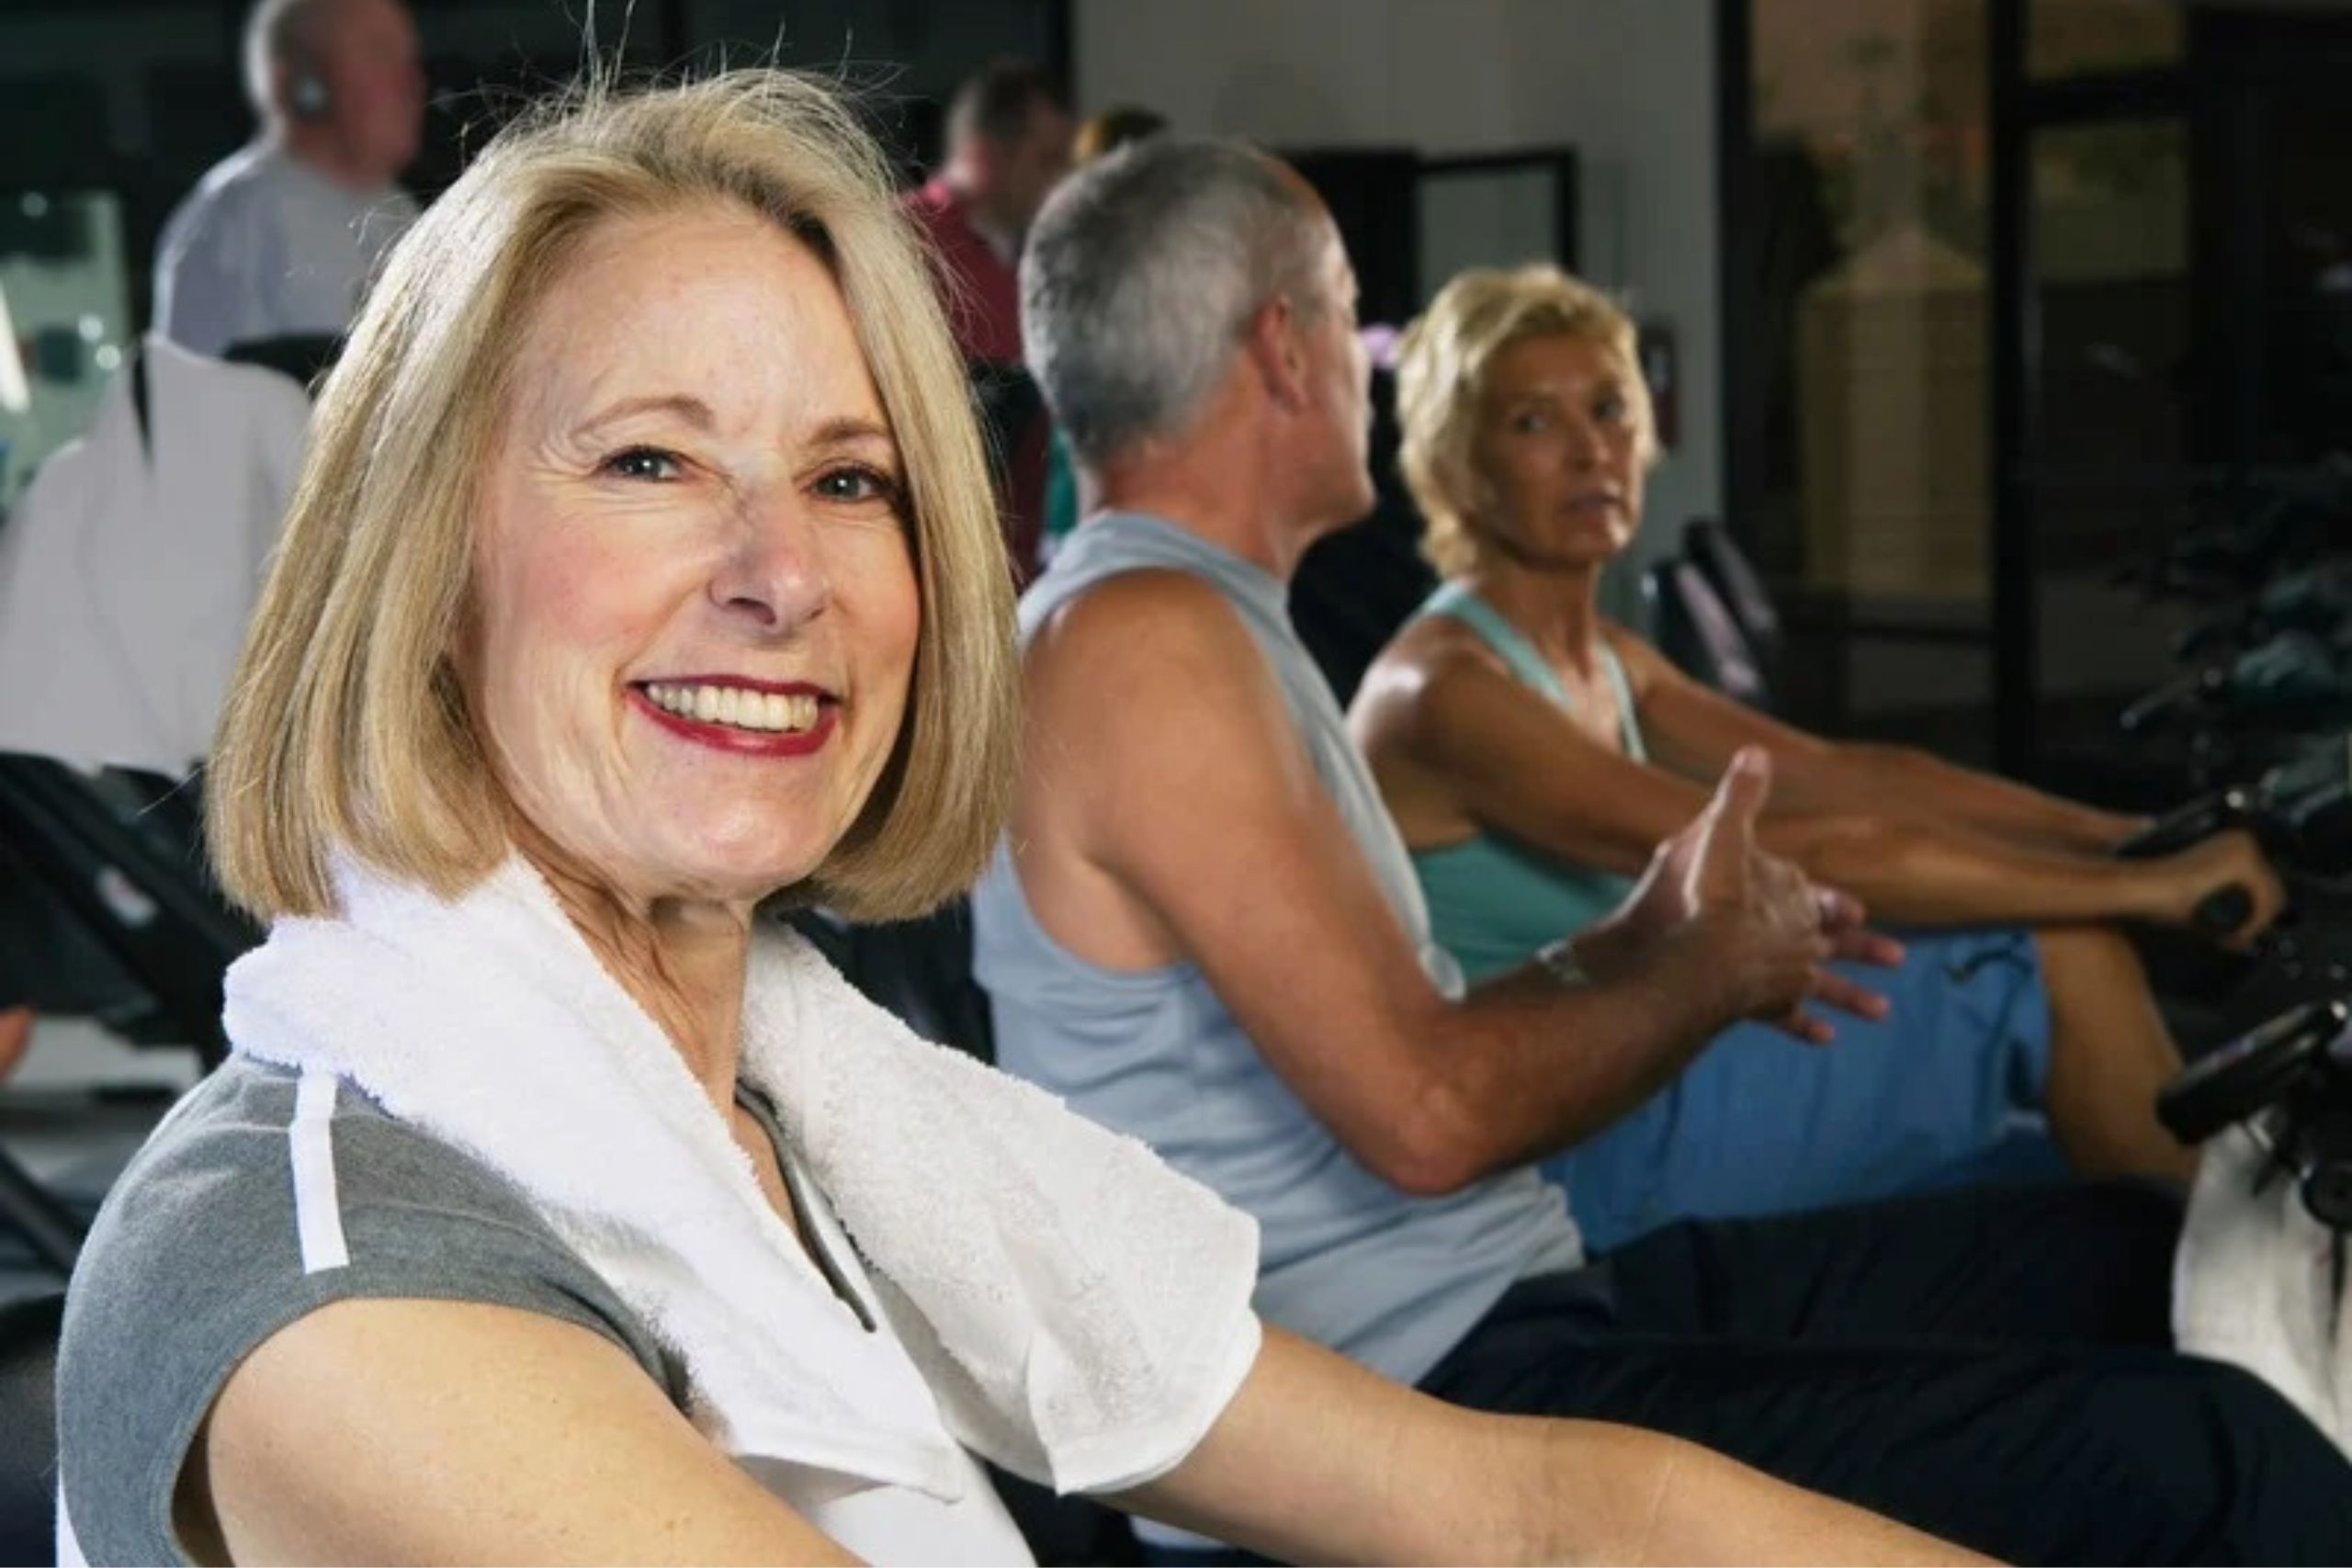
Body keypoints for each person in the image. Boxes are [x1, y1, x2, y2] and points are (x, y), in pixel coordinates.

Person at [51, 73, 1973, 1567]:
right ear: (424, 564)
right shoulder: (342, 1300)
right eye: (648, 458)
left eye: (849, 476)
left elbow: (1528, 1513)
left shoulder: (817, 1116)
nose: (775, 571)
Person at [972, 132, 2352, 1564]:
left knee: (2134, 1254)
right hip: (1415, 1404)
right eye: (1348, 310)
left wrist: (1640, 940)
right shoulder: (1147, 641)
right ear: (1283, 345)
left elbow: (1398, 1040)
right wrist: (1701, 971)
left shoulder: (1204, 620)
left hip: (1506, 1300)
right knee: (2220, 1467)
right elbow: (1429, 1112)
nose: (1365, 359)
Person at [1348, 262, 2289, 1248]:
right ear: (1458, 465)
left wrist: (2131, 840)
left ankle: (2226, 1270)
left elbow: (1858, 775)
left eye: (1611, 410)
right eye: (1533, 423)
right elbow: (1810, 850)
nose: (1592, 450)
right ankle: (2257, 1308)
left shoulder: (1604, 655)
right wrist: (2145, 894)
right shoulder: (1445, 693)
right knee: (2048, 949)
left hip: (1640, 1074)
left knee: (2050, 1091)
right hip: (1561, 1157)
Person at [153, 0, 424, 357]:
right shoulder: (240, 216)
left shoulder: (400, 210)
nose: (411, 82)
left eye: (411, 60)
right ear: (303, 83)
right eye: (378, 54)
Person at [902, 59, 1073, 579]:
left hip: (1022, 573)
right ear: (983, 156)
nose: (1065, 182)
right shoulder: (896, 247)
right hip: (936, 575)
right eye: (1048, 161)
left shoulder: (1041, 258)